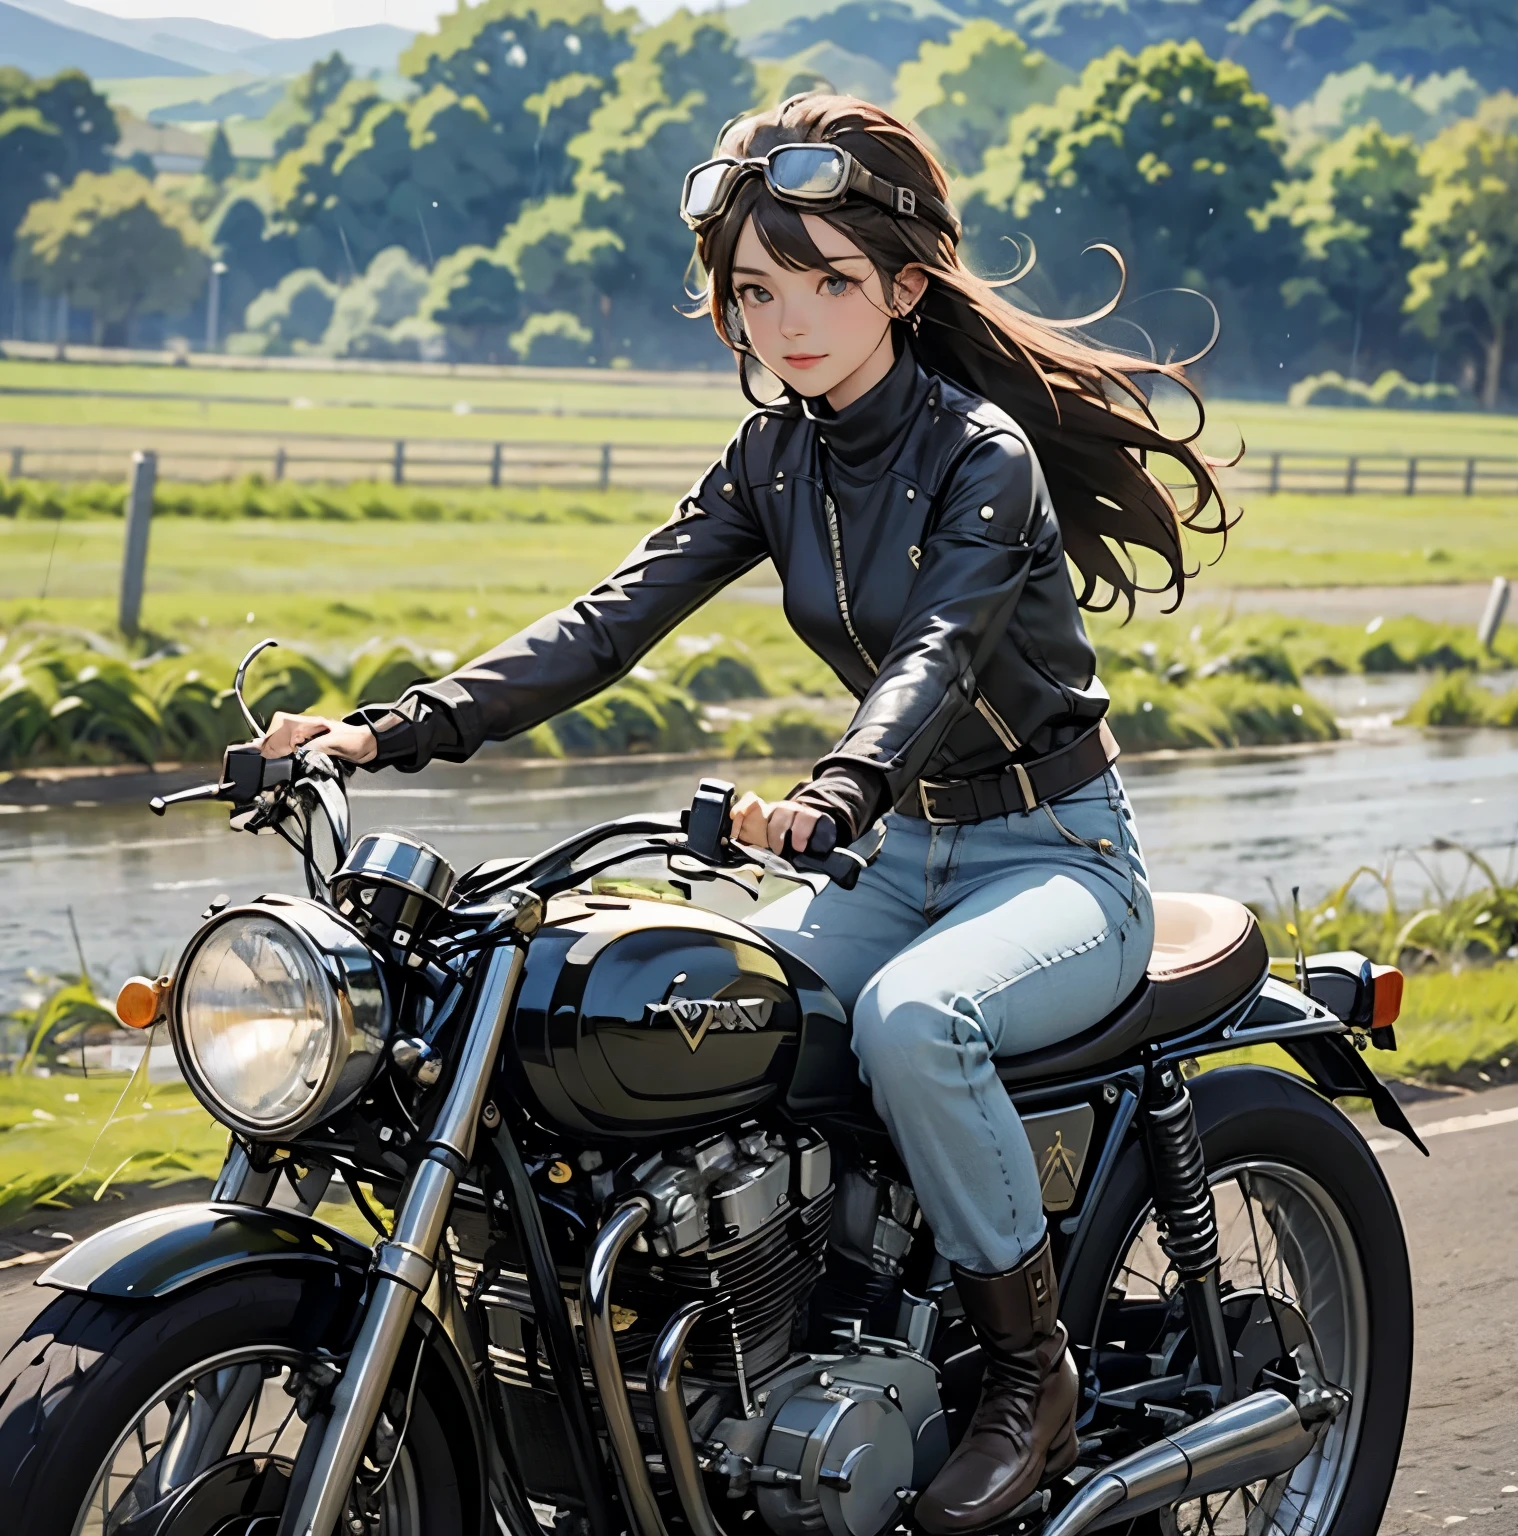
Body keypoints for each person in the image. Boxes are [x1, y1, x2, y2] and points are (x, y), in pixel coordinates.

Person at [259, 94, 1232, 1533]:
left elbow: (936, 656)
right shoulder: (772, 461)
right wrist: (389, 726)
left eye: (829, 282)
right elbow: (605, 624)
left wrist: (837, 791)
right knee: (700, 1025)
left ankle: (1034, 1376)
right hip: (896, 860)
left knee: (915, 1023)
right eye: (758, 289)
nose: (789, 321)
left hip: (1057, 859)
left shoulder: (982, 455)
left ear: (904, 287)